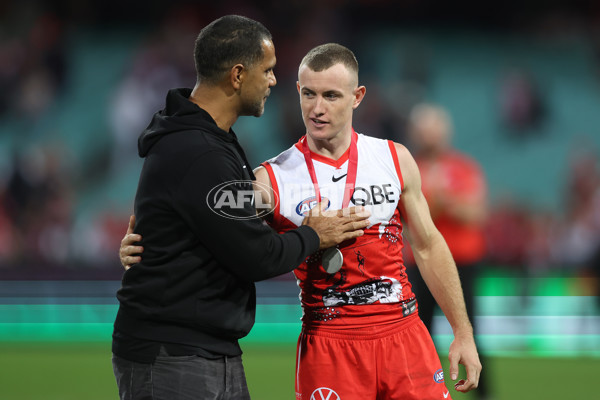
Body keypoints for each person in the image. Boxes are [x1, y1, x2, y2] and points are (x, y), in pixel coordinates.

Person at [121, 43, 482, 400]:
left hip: (404, 336)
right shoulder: (270, 180)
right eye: (308, 94)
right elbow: (212, 221)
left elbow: (428, 245)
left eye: (331, 96)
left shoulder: (394, 159)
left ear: (357, 96)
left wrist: (462, 332)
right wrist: (151, 238)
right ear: (297, 91)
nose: (317, 108)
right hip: (330, 347)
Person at [112, 16, 371, 400]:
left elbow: (205, 222)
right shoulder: (201, 153)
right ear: (237, 75)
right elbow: (256, 254)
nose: (272, 81)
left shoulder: (207, 140)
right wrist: (316, 235)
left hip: (200, 348)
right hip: (174, 355)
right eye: (266, 70)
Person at [404, 103, 490, 399]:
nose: (429, 137)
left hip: (463, 261)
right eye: (423, 131)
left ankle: (484, 392)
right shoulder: (408, 166)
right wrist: (444, 201)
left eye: (433, 131)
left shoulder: (463, 167)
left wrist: (437, 201)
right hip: (419, 264)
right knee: (418, 334)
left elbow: (475, 213)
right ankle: (420, 391)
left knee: (469, 331)